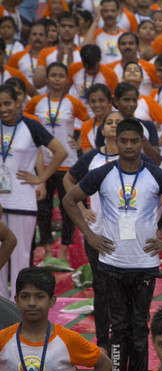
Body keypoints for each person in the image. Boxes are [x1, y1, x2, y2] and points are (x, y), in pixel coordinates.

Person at [62, 119, 162, 371]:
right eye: (124, 141)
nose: (129, 146)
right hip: (112, 263)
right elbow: (70, 200)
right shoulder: (103, 173)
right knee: (118, 327)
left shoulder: (155, 174)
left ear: (142, 143)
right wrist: (90, 235)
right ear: (116, 142)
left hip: (144, 264)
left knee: (139, 327)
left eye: (135, 141)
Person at [64, 111, 124, 355]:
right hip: (96, 233)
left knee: (122, 287)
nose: (113, 126)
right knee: (101, 287)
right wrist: (81, 207)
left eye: (118, 122)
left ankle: (122, 336)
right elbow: (68, 180)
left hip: (125, 235)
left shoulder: (133, 158)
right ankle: (103, 341)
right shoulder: (92, 157)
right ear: (102, 128)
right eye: (109, 122)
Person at [0, 84, 67, 299]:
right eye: (0, 105)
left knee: (20, 257)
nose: (3, 109)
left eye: (7, 103)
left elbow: (60, 151)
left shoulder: (31, 126)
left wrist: (41, 178)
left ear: (18, 102)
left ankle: (16, 307)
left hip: (22, 200)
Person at [26, 62, 88, 263]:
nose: (57, 79)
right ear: (46, 78)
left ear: (66, 79)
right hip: (42, 163)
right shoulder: (36, 102)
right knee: (43, 209)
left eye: (61, 75)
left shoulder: (73, 102)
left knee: (68, 209)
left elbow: (89, 122)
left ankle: (64, 251)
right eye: (53, 75)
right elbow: (25, 123)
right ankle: (47, 251)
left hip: (68, 163)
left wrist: (80, 141)